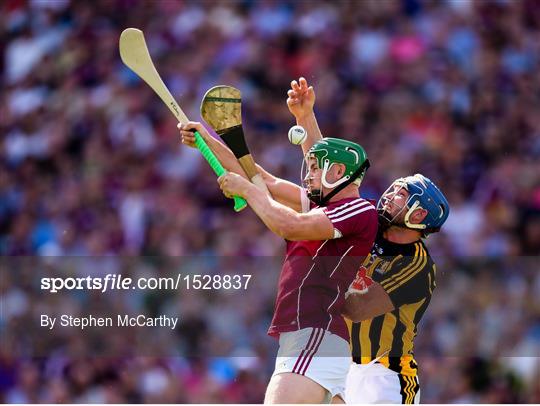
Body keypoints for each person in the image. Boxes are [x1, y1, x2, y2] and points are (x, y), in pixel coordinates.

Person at [178, 115, 377, 402]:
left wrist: (247, 191)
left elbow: (288, 224)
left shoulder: (357, 210)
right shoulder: (319, 208)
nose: (306, 176)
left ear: (337, 172)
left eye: (313, 168)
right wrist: (205, 140)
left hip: (315, 333)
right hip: (316, 340)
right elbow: (262, 179)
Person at [286, 78, 450, 404]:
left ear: (418, 216)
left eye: (401, 196)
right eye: (394, 189)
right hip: (345, 365)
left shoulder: (417, 265)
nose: (389, 196)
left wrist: (319, 279)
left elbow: (358, 309)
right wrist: (305, 117)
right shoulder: (371, 223)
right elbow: (333, 181)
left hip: (385, 376)